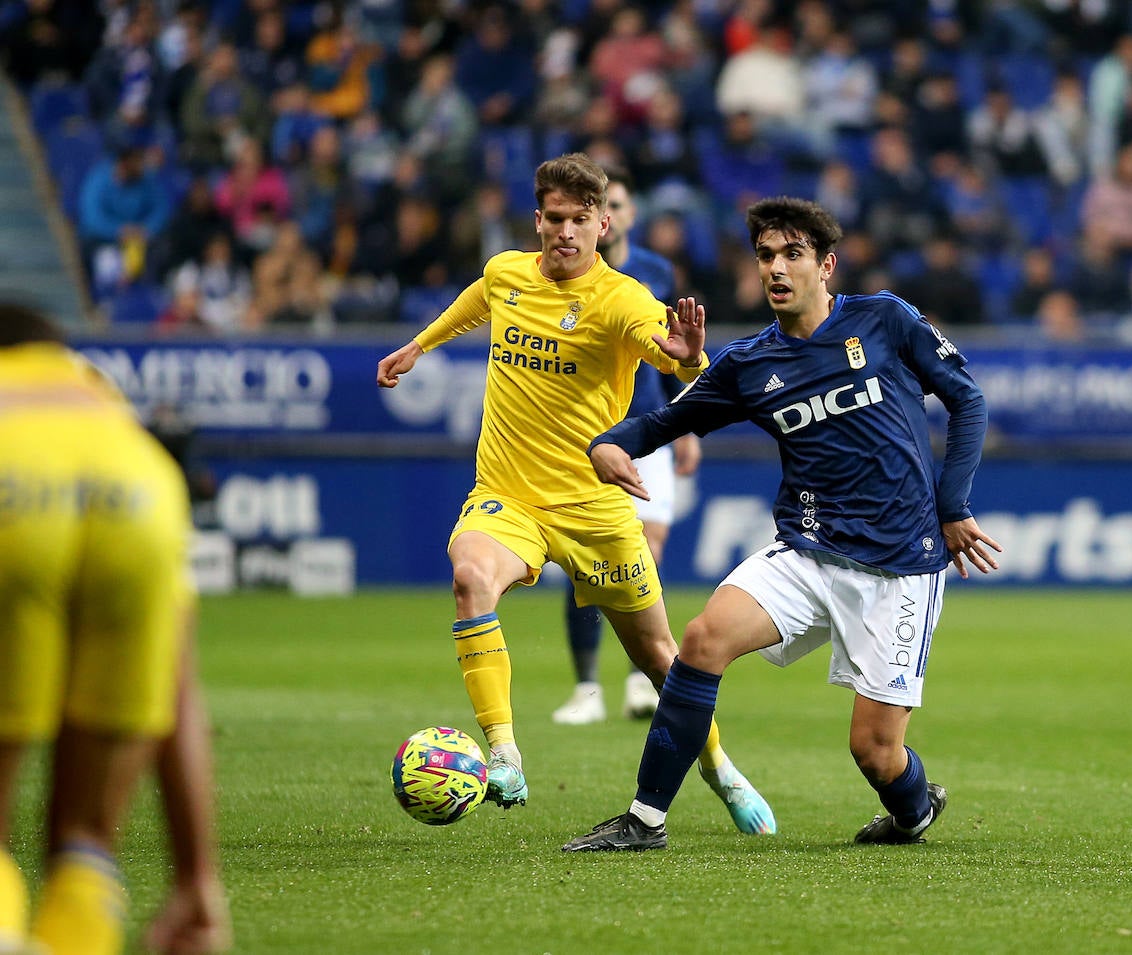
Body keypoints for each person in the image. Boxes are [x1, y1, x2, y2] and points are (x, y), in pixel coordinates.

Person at [562, 197, 1001, 852]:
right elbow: (662, 422)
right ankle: (644, 818)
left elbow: (967, 397)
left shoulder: (885, 318)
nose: (776, 267)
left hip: (901, 564)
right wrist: (609, 442)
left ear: (825, 265)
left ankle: (913, 811)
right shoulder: (747, 364)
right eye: (766, 254)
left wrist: (953, 504)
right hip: (809, 548)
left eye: (793, 253)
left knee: (877, 754)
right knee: (703, 638)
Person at [375, 153, 774, 834]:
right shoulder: (508, 273)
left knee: (657, 657)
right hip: (510, 495)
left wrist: (686, 354)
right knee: (471, 575)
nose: (565, 231)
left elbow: (668, 350)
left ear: (603, 222)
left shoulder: (620, 298)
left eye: (579, 220)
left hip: (595, 507)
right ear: (538, 219)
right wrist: (421, 344)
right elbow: (480, 295)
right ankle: (503, 753)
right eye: (554, 218)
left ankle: (719, 768)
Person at [0, 303, 231, 954]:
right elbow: (178, 688)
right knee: (85, 834)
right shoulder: (92, 395)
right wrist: (196, 876)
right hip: (140, 488)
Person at [552, 165, 702, 726]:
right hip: (588, 437)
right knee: (586, 566)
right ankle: (586, 688)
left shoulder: (656, 272)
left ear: (624, 215)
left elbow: (670, 351)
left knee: (648, 553)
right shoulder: (561, 273)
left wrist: (685, 425)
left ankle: (642, 677)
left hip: (649, 428)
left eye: (611, 202)